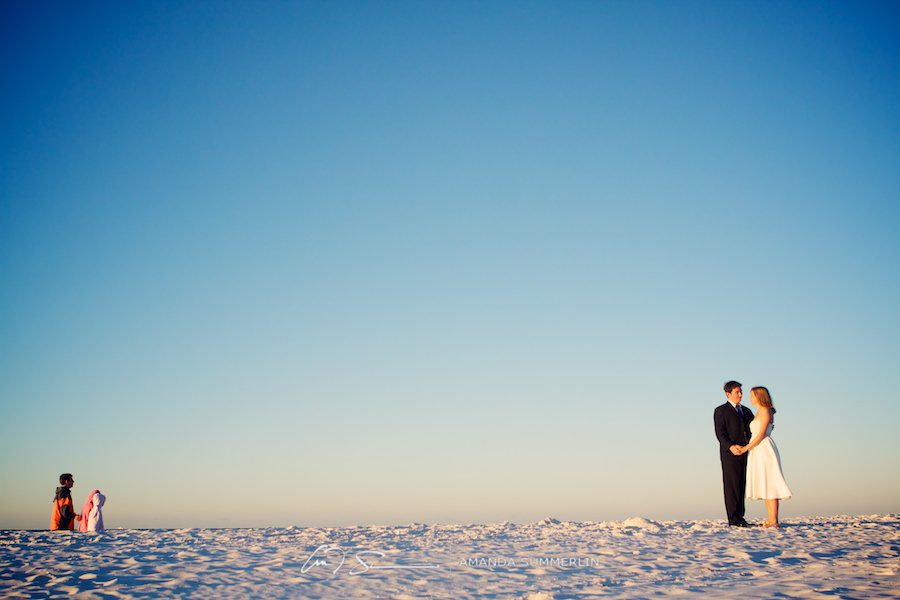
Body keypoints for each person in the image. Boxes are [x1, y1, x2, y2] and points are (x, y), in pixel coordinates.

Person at [739, 386, 792, 528]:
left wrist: (746, 448)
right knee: (765, 483)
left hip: (764, 448)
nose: (749, 398)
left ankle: (774, 520)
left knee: (770, 483)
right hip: (757, 449)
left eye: (752, 396)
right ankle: (771, 519)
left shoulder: (765, 411)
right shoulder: (758, 412)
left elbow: (761, 434)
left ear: (759, 396)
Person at [713, 381, 753, 526]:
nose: (741, 395)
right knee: (731, 484)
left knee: (742, 482)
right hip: (730, 453)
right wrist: (730, 446)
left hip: (746, 451)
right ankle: (733, 518)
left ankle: (740, 516)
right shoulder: (720, 410)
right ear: (728, 394)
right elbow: (720, 433)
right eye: (737, 392)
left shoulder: (747, 411)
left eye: (741, 391)